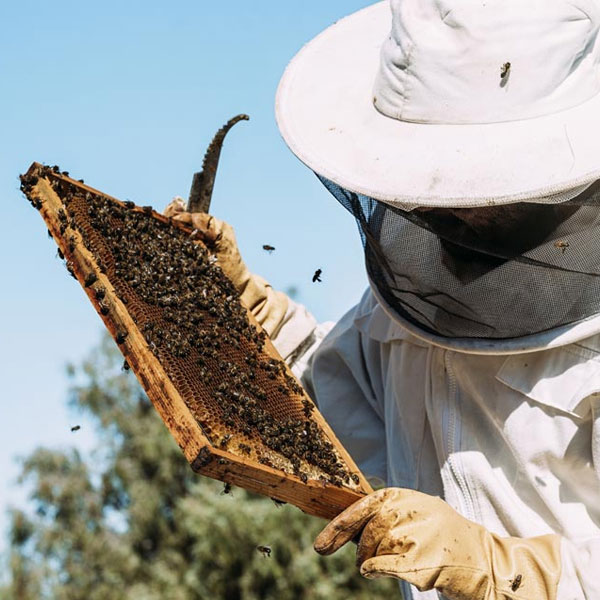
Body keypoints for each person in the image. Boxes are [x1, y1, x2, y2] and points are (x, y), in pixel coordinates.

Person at [166, 1, 600, 598]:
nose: (450, 207)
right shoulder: (402, 309)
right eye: (435, 173)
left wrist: (502, 569)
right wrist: (240, 309)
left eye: (477, 176)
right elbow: (323, 413)